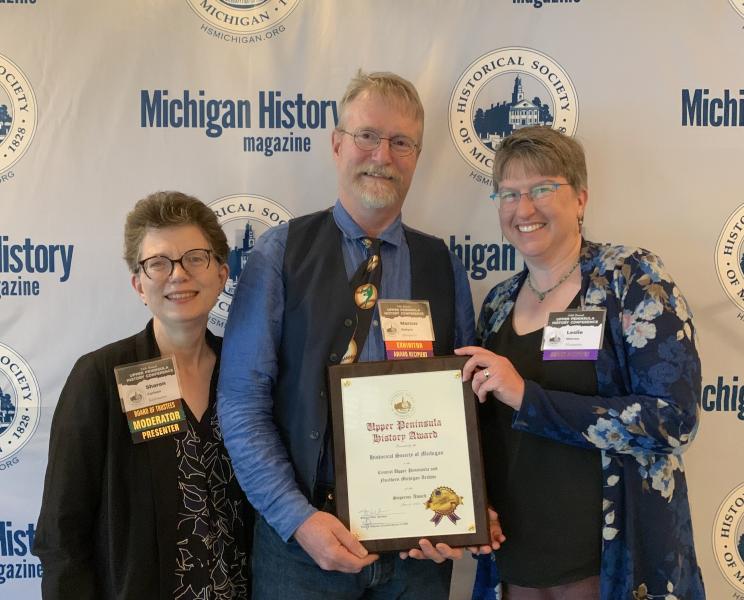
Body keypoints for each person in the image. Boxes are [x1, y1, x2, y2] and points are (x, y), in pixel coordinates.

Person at [217, 70, 476, 599]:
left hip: (418, 552)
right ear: (337, 145)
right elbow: (242, 402)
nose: (383, 154)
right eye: (367, 136)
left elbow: (466, 400)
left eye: (401, 142)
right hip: (303, 548)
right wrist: (299, 521)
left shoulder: (443, 265)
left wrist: (459, 510)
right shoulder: (279, 252)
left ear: (417, 157)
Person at [458, 126, 705, 600]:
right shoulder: (497, 304)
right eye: (508, 194)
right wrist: (471, 504)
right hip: (515, 566)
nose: (523, 208)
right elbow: (483, 433)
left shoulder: (631, 281)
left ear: (581, 199)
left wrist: (529, 398)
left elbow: (675, 419)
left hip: (610, 565)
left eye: (543, 189)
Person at [33, 192, 253, 599]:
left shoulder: (247, 373)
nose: (178, 274)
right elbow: (62, 535)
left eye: (195, 258)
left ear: (222, 273)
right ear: (138, 284)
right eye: (158, 263)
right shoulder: (100, 377)